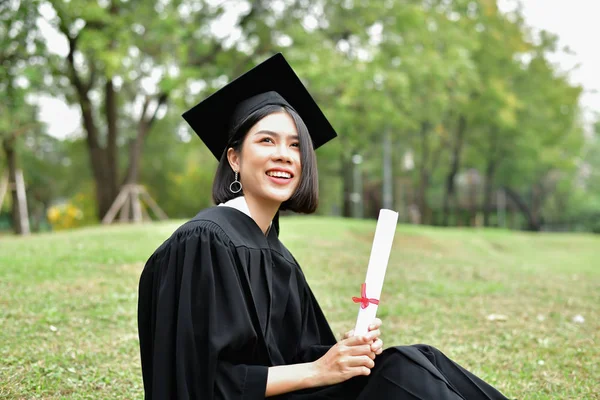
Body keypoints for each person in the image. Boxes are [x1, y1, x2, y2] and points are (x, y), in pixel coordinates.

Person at [137, 53, 509, 400]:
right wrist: (318, 370)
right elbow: (201, 381)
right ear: (234, 158)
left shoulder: (278, 257)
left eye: (296, 145)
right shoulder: (204, 243)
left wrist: (343, 354)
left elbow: (296, 356)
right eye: (267, 140)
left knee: (415, 359)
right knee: (401, 373)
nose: (284, 154)